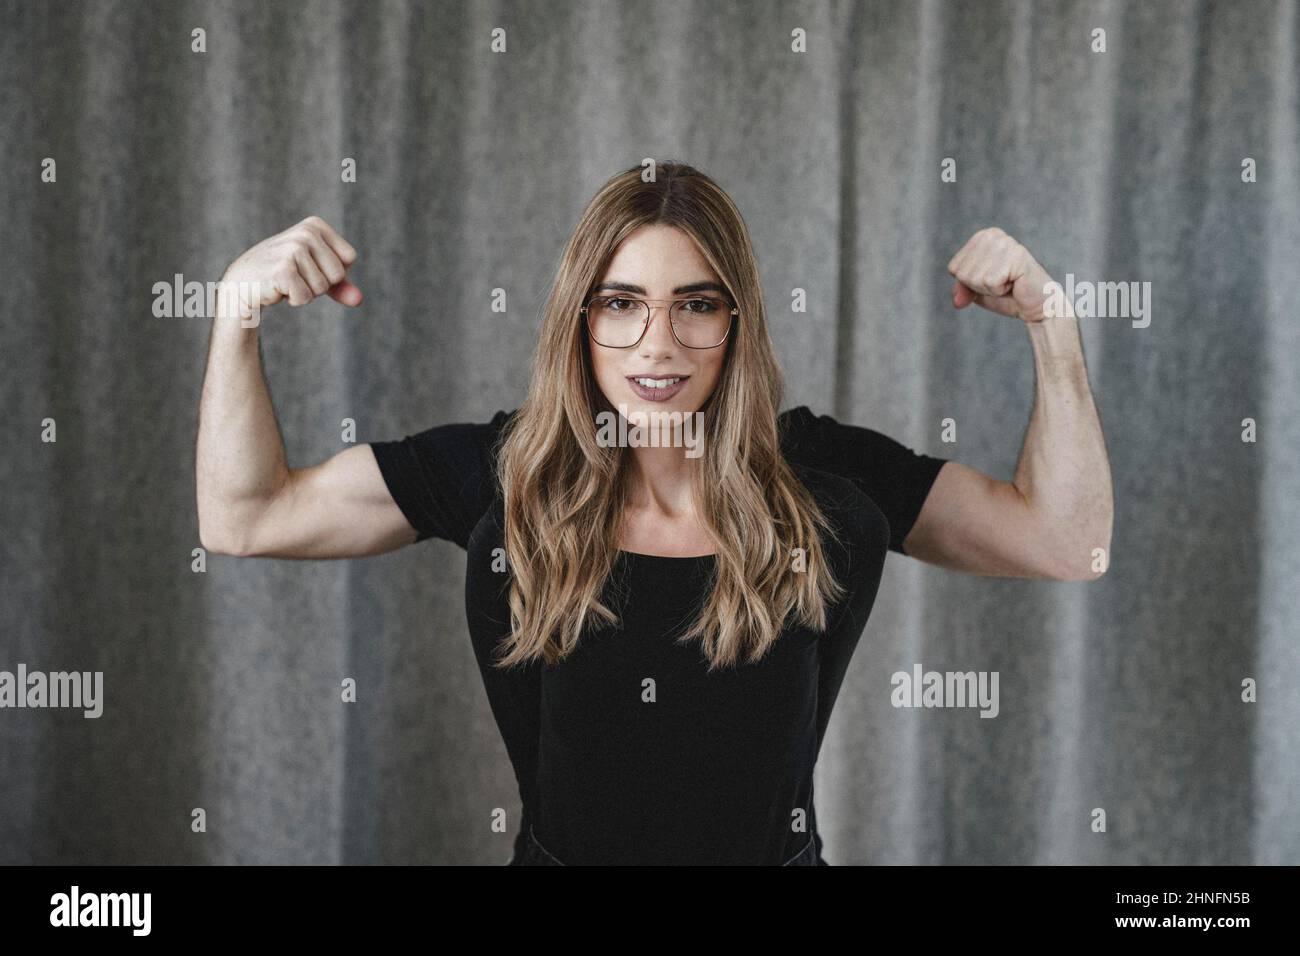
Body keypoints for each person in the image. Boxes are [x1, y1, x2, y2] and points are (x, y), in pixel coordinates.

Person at [195, 161, 1113, 865]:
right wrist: (235, 310)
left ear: (738, 322)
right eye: (622, 305)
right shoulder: (510, 471)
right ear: (578, 320)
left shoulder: (820, 476)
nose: (658, 345)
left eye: (696, 306)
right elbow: (245, 518)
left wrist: (1053, 330)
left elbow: (1066, 542)